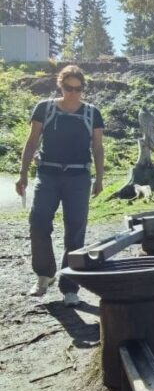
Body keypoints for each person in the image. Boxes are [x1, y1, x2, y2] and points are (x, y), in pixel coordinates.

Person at [15, 64, 105, 304]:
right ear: (60, 85)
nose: (73, 93)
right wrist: (22, 173)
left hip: (79, 177)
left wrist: (100, 177)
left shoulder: (91, 113)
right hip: (48, 174)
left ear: (83, 88)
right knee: (38, 221)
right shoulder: (44, 109)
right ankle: (44, 275)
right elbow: (32, 141)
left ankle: (70, 287)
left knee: (75, 230)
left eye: (78, 88)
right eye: (68, 88)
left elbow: (97, 147)